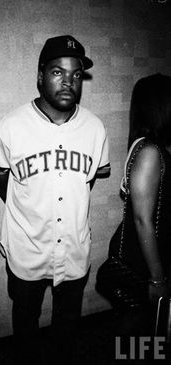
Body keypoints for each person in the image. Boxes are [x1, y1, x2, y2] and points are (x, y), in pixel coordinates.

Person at [0, 35, 110, 365]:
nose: (68, 81)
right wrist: (22, 204)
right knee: (25, 324)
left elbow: (90, 177)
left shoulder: (94, 128)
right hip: (27, 248)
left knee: (67, 327)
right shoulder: (12, 125)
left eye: (76, 74)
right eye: (57, 72)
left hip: (74, 249)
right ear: (40, 75)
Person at [108, 73, 171, 342]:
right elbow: (143, 219)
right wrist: (157, 278)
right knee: (138, 325)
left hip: (144, 250)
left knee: (141, 323)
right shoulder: (149, 152)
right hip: (141, 256)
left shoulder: (148, 146)